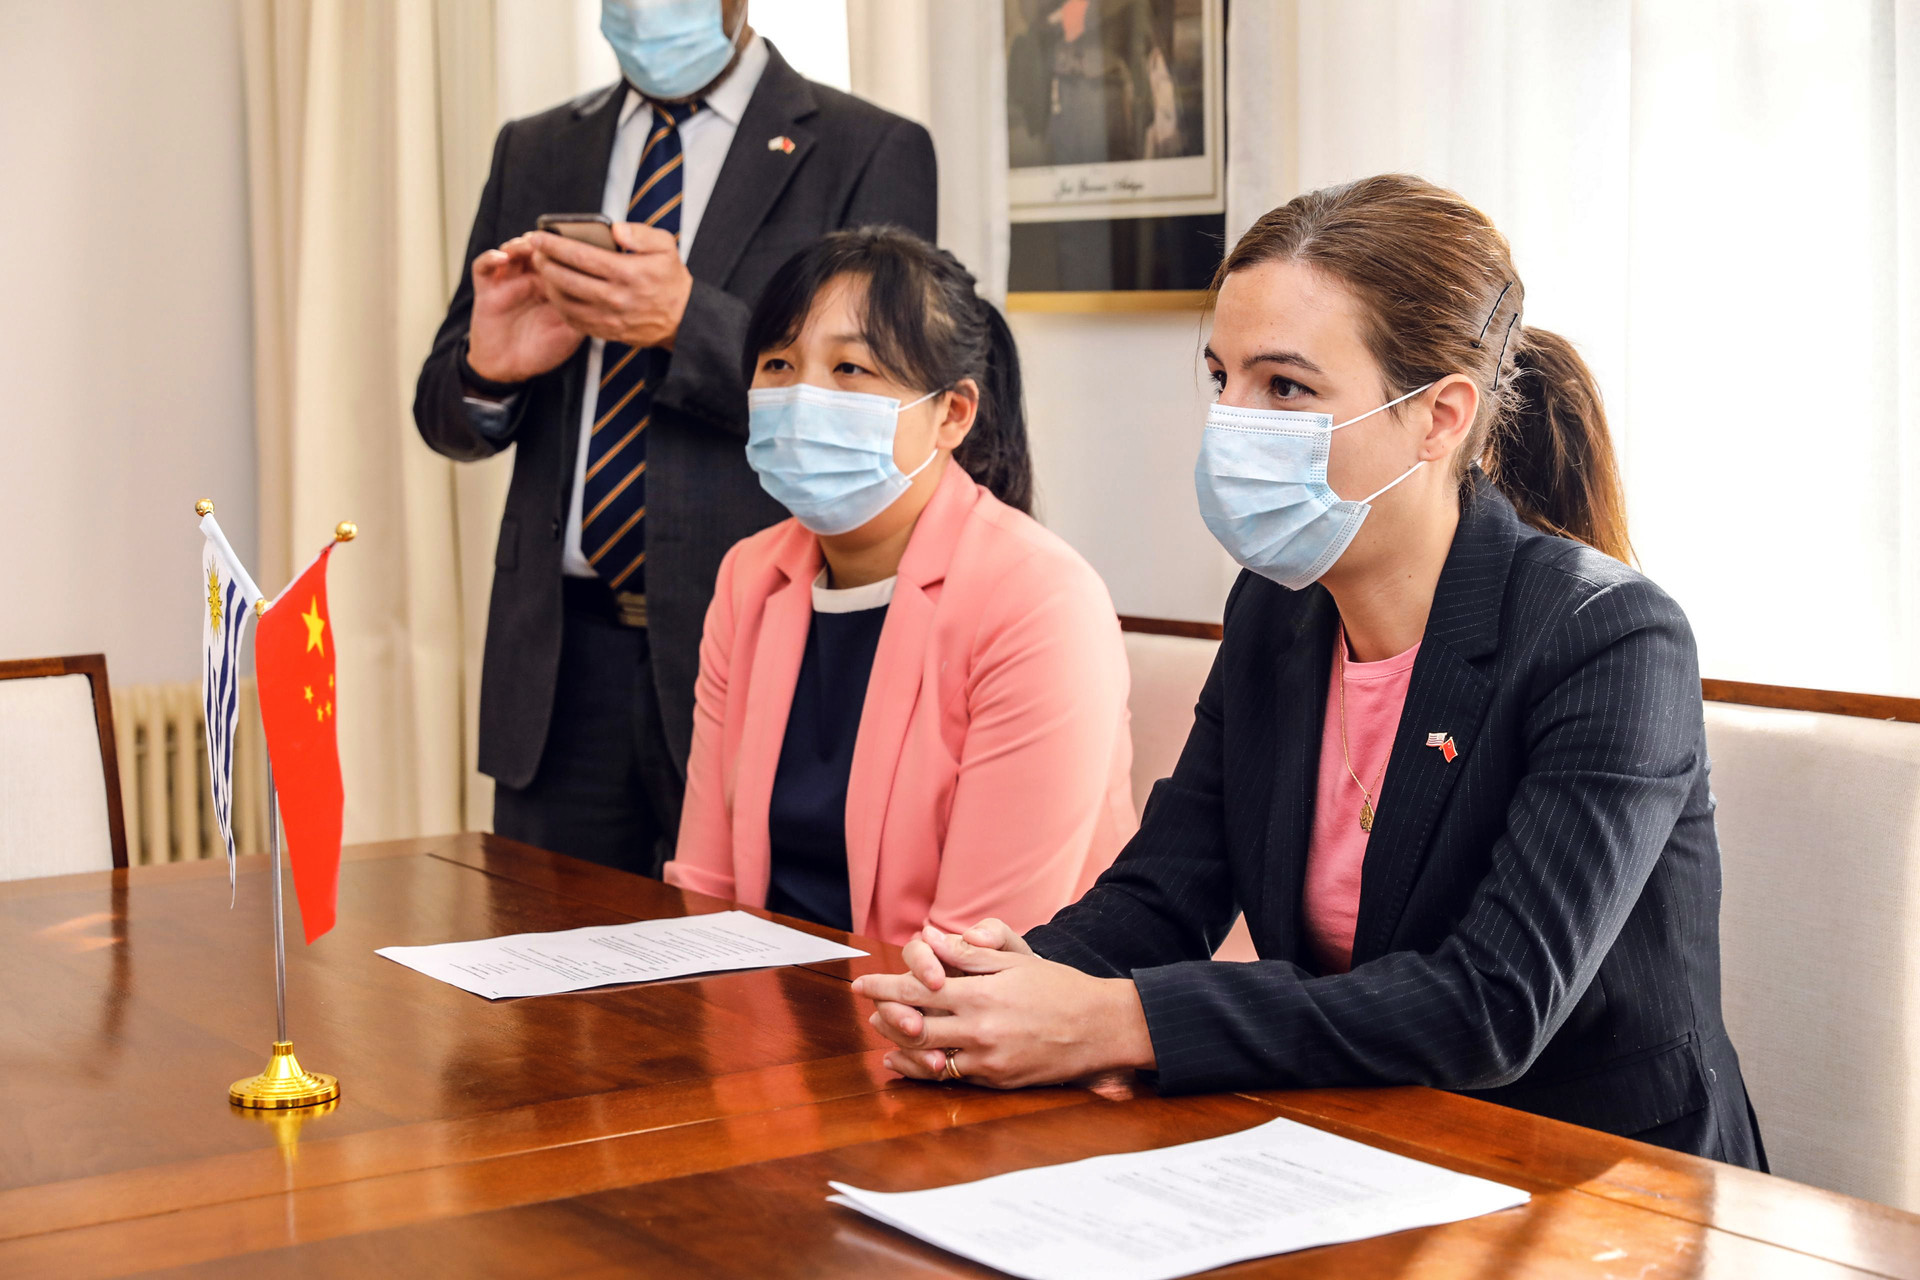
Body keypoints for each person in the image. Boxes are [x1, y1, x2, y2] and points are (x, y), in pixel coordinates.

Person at [853, 175, 1768, 1169]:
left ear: (1440, 417)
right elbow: (1164, 894)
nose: (1232, 420)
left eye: (1285, 387)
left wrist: (1114, 1021)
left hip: (1599, 1179)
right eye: (1222, 378)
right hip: (1364, 1144)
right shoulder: (1276, 610)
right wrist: (993, 990)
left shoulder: (1611, 637)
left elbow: (1492, 1003)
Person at [413, 1, 936, 876]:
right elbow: (444, 414)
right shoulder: (535, 147)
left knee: (736, 954)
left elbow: (883, 405)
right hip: (559, 664)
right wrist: (489, 370)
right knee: (536, 954)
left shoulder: (867, 149)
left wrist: (686, 320)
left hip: (760, 642)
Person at [662, 227, 1136, 947]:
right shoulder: (749, 576)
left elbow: (976, 956)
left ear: (953, 413)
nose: (803, 396)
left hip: (966, 1006)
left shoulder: (1041, 601)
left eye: (850, 367)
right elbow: (705, 886)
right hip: (759, 995)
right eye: (779, 363)